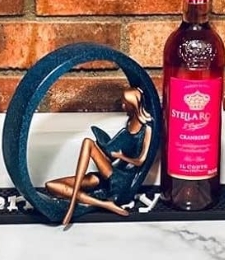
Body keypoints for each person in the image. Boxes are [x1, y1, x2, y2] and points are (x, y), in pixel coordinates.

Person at [44, 86, 153, 229]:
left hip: (120, 179)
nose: (122, 105)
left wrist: (122, 156)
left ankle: (72, 206)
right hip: (109, 174)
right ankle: (103, 204)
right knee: (51, 186)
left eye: (125, 103)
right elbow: (112, 152)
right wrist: (103, 145)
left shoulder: (147, 128)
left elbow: (141, 161)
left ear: (133, 104)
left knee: (87, 143)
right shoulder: (128, 124)